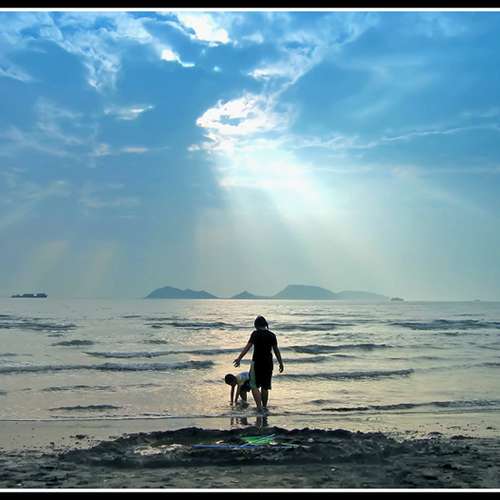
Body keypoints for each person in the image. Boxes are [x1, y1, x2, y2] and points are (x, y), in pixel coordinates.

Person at [233, 315, 284, 413]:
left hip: (257, 362)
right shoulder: (272, 335)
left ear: (256, 325)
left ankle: (259, 407)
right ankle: (264, 407)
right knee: (265, 386)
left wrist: (239, 358)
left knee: (254, 385)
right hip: (268, 363)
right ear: (265, 324)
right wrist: (280, 363)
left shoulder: (255, 334)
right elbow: (276, 350)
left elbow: (248, 347)